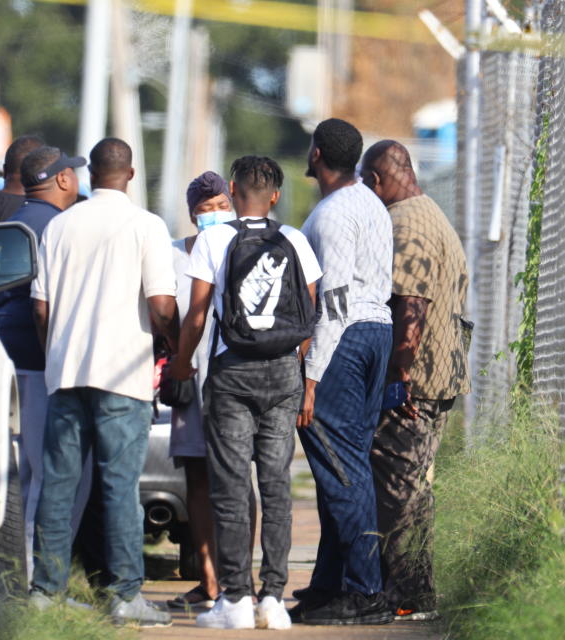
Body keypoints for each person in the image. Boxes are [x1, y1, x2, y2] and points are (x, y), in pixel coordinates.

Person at [28, 138, 177, 627]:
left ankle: (45, 591)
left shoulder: (61, 226)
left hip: (67, 374)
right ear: (130, 174)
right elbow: (160, 306)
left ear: (91, 174)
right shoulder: (146, 226)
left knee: (58, 484)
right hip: (122, 376)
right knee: (119, 487)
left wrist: (56, 354)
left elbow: (41, 308)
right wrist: (174, 348)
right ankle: (124, 594)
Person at [170, 156, 321, 630]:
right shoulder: (294, 239)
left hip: (231, 373)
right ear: (275, 195)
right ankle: (273, 599)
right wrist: (297, 369)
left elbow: (197, 313)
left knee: (231, 486)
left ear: (233, 190)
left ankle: (234, 600)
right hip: (282, 373)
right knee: (276, 485)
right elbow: (309, 314)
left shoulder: (213, 239)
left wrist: (180, 362)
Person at [360, 140, 470, 622]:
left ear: (381, 179)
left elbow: (411, 306)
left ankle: (405, 593)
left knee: (398, 488)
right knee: (415, 486)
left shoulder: (408, 223)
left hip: (416, 382)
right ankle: (416, 592)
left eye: (368, 181)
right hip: (437, 374)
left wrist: (396, 376)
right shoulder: (431, 214)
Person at [292, 118, 395, 626]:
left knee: (341, 465)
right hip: (377, 330)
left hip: (347, 338)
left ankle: (365, 590)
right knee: (346, 463)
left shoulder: (332, 214)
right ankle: (329, 584)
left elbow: (331, 303)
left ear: (316, 155)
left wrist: (311, 376)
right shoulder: (370, 203)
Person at [0, 145, 93, 583]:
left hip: (3, 357)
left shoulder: (11, 222)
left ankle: (24, 575)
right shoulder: (61, 228)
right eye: (74, 173)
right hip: (44, 362)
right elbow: (47, 306)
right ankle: (39, 579)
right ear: (63, 179)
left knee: (24, 474)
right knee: (55, 474)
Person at [165, 171, 234, 611]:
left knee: (235, 478)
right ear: (192, 215)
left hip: (235, 380)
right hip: (190, 381)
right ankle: (209, 578)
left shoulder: (250, 248)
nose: (213, 215)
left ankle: (236, 575)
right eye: (204, 209)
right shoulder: (174, 255)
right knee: (197, 475)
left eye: (220, 206)